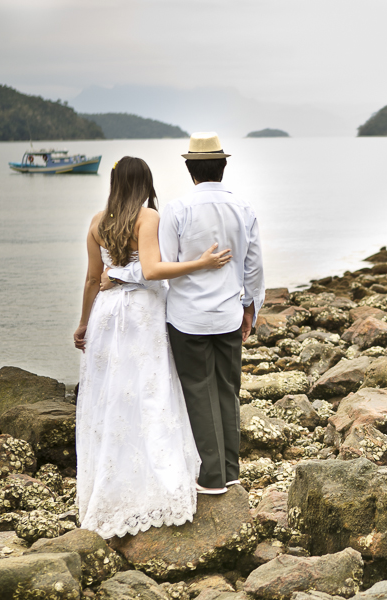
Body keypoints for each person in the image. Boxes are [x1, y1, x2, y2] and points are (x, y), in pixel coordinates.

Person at [73, 156, 232, 538]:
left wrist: (82, 323)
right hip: (141, 313)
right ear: (146, 183)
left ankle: (109, 484)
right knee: (150, 391)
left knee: (110, 396)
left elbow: (94, 279)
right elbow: (151, 270)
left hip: (107, 315)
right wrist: (202, 263)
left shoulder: (97, 222)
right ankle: (156, 479)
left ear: (113, 183)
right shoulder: (148, 218)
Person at [106, 132, 265, 495]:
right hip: (227, 314)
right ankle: (231, 469)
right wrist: (249, 309)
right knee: (228, 389)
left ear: (190, 168)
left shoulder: (176, 210)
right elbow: (254, 267)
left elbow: (158, 269)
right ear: (222, 167)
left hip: (187, 318)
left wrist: (116, 274)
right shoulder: (245, 208)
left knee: (198, 390)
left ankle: (211, 478)